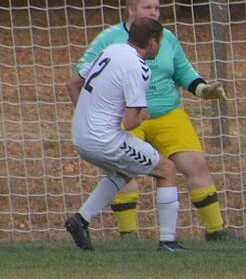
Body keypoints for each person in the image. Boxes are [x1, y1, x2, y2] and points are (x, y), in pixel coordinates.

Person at [66, 0, 243, 241]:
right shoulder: (111, 41)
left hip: (167, 114)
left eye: (157, 8)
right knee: (143, 171)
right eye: (147, 8)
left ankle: (216, 231)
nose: (153, 12)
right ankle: (143, 238)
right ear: (131, 10)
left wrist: (203, 90)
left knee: (196, 164)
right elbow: (84, 71)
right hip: (127, 118)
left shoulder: (165, 38)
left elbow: (183, 71)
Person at [64, 18, 184, 252]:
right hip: (103, 139)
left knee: (124, 173)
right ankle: (168, 242)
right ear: (152, 42)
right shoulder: (138, 68)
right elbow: (130, 123)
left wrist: (88, 116)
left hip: (80, 135)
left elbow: (72, 84)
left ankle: (80, 220)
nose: (159, 47)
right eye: (159, 42)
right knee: (166, 169)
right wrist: (143, 114)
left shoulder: (111, 50)